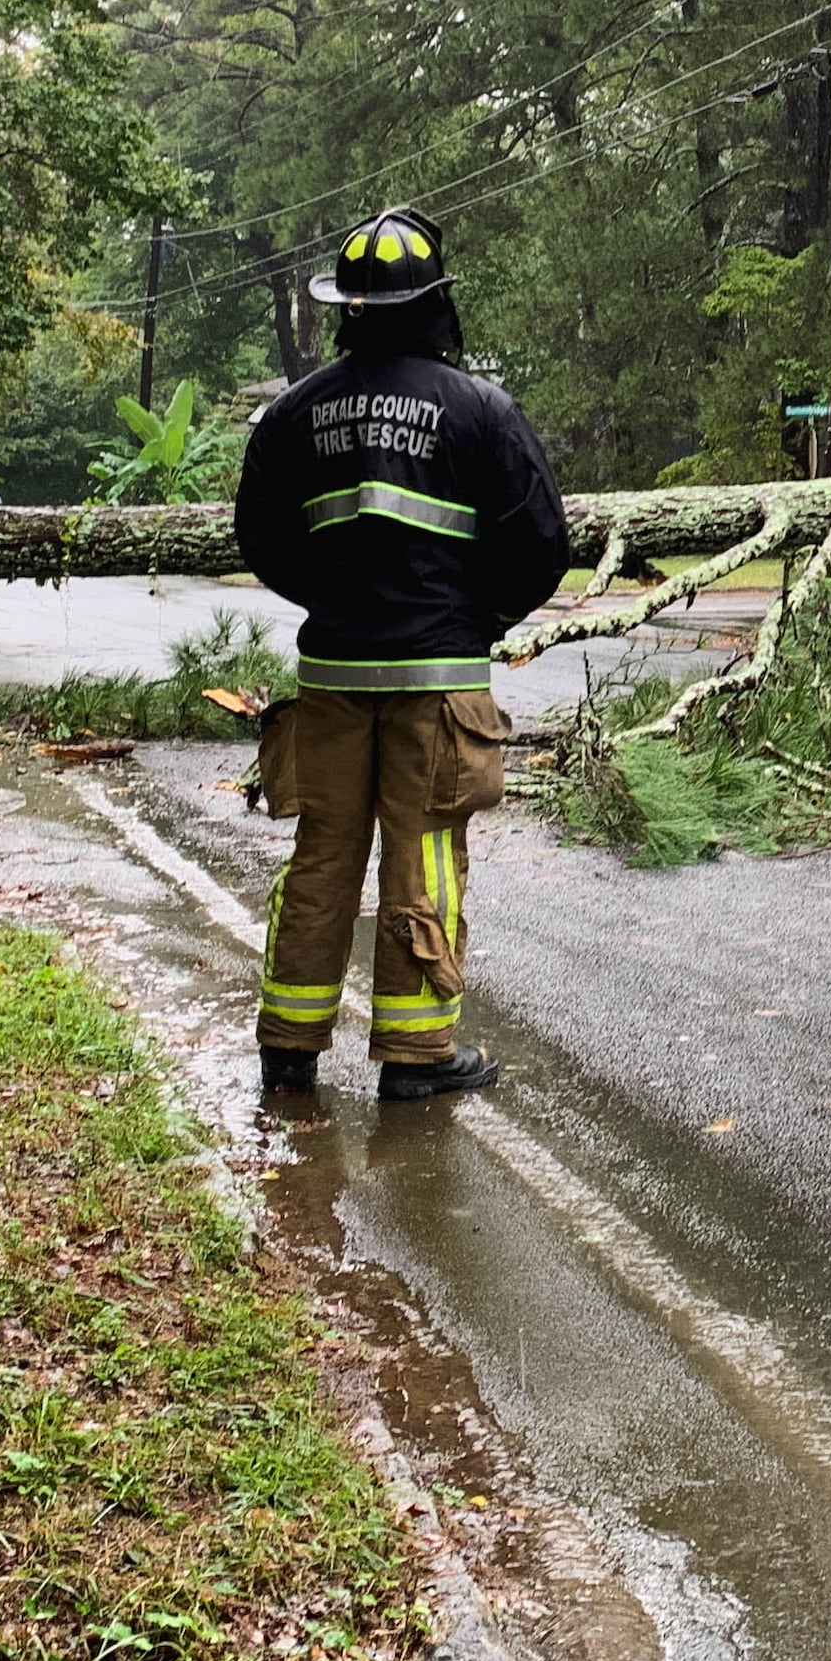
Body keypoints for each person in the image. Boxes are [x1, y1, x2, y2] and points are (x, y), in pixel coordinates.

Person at [233, 208, 570, 1100]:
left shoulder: (293, 414)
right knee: (423, 857)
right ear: (433, 304)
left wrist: (336, 602)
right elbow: (542, 545)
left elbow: (261, 537)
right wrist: (474, 620)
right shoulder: (480, 410)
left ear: (346, 309)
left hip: (334, 677)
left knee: (324, 854)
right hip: (436, 682)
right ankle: (417, 1057)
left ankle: (289, 1045)